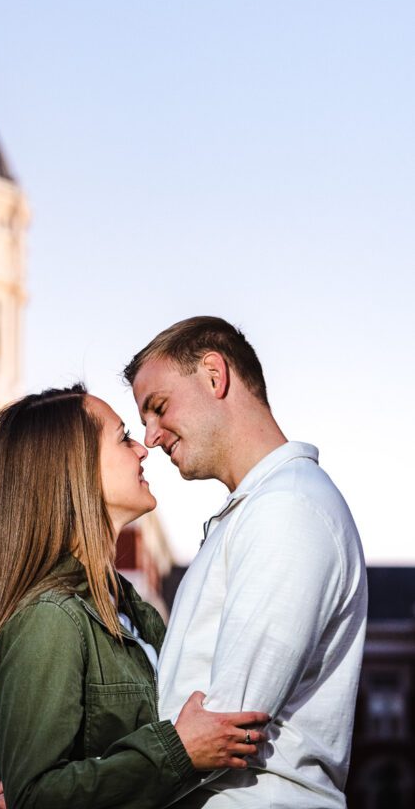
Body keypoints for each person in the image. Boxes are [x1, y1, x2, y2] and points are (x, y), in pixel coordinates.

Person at [0, 384, 269, 809]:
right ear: (73, 467)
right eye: (122, 436)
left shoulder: (135, 611)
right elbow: (37, 795)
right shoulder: (49, 617)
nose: (143, 449)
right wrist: (180, 752)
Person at [125, 316, 367, 808]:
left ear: (215, 376)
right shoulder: (257, 510)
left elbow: (225, 725)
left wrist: (63, 796)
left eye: (159, 407)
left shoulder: (289, 508)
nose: (149, 437)